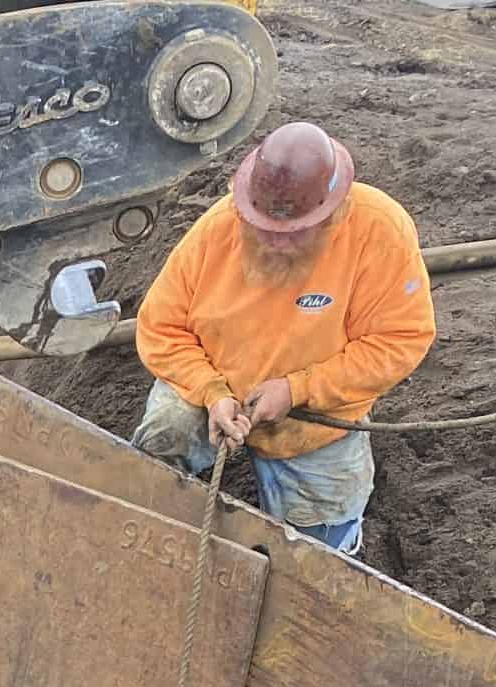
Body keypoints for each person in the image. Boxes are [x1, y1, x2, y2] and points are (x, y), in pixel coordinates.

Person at [130, 121, 436, 555]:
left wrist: (298, 390)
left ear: (332, 213)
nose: (274, 242)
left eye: (291, 232)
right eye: (262, 227)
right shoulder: (217, 229)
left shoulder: (379, 232)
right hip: (214, 394)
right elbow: (160, 326)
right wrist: (212, 391)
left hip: (311, 419)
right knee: (162, 440)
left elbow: (400, 339)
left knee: (319, 553)